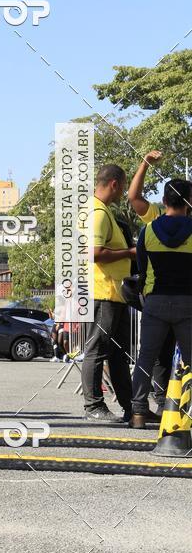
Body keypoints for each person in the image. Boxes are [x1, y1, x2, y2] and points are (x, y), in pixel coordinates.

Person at [130, 179, 192, 428]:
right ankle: (187, 413)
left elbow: (142, 270)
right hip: (188, 302)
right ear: (189, 201)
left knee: (146, 358)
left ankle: (138, 413)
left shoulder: (148, 231)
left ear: (164, 201)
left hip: (155, 302)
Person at [80, 165, 136, 424]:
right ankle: (93, 406)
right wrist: (130, 253)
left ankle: (132, 406)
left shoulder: (100, 211)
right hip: (103, 292)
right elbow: (95, 252)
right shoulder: (98, 213)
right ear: (114, 183)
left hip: (114, 293)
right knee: (98, 349)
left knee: (118, 352)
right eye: (123, 185)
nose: (124, 190)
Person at [128, 149, 177, 414]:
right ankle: (165, 403)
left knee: (153, 352)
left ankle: (144, 407)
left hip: (155, 296)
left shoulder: (156, 220)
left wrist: (145, 162)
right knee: (163, 352)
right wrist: (144, 163)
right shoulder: (162, 215)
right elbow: (134, 198)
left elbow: (134, 198)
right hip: (182, 297)